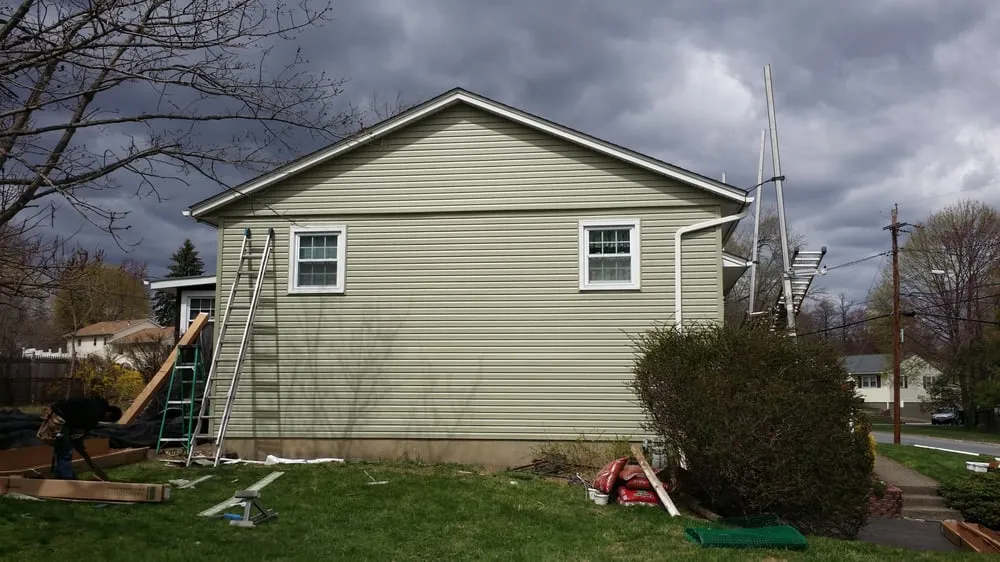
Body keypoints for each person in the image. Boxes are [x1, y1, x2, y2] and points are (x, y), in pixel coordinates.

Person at [37, 397, 122, 480]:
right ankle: (67, 478)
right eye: (107, 420)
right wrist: (78, 442)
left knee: (62, 448)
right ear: (108, 414)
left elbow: (80, 431)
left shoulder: (96, 406)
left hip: (61, 414)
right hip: (59, 418)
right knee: (66, 450)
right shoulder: (94, 414)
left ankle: (62, 474)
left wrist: (79, 442)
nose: (105, 421)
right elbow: (80, 432)